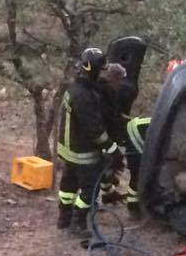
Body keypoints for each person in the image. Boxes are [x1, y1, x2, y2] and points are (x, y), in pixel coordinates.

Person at [55, 48, 112, 233]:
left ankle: (63, 219)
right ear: (92, 70)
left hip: (68, 150)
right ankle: (78, 223)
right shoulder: (84, 96)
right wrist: (111, 148)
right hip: (83, 153)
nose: (103, 74)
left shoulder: (74, 89)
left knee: (68, 185)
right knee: (90, 190)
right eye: (101, 71)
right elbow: (95, 129)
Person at [102, 36, 149, 214]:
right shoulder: (108, 92)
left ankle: (107, 193)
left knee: (109, 163)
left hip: (109, 132)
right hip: (102, 134)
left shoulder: (116, 90)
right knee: (106, 163)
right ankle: (98, 199)